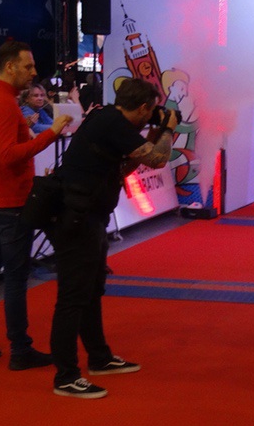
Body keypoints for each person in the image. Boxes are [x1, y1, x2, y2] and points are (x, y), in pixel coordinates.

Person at [48, 78, 177, 399]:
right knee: (73, 297)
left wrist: (152, 136)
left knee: (91, 291)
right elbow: (158, 159)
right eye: (151, 111)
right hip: (76, 218)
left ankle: (99, 358)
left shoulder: (109, 120)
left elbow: (123, 168)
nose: (152, 116)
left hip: (88, 217)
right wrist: (168, 130)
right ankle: (66, 376)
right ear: (144, 107)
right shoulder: (112, 123)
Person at [0, 40, 72, 369]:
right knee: (14, 278)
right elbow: (9, 155)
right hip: (9, 202)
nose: (33, 72)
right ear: (10, 67)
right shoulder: (4, 104)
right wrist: (51, 132)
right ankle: (20, 349)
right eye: (28, 66)